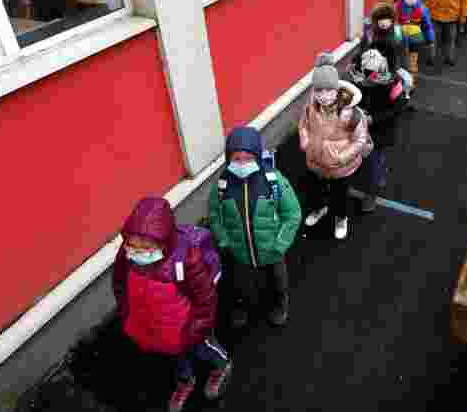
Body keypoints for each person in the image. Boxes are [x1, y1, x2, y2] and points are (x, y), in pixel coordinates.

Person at [113, 197, 232, 412]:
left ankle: (221, 366)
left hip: (190, 327)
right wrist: (127, 314)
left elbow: (205, 299)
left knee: (204, 348)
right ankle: (185, 381)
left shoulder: (186, 259)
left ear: (163, 241)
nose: (137, 252)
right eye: (132, 244)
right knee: (178, 357)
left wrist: (195, 330)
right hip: (160, 327)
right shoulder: (126, 255)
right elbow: (120, 285)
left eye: (146, 246)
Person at [209, 126, 301, 329]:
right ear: (228, 158)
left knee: (277, 280)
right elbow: (215, 215)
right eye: (236, 159)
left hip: (272, 250)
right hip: (239, 251)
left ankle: (280, 303)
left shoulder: (273, 181)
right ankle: (241, 306)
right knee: (239, 284)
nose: (242, 164)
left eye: (248, 158)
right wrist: (224, 240)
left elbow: (292, 214)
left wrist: (280, 244)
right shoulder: (222, 185)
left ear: (258, 157)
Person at [299, 54, 373, 240]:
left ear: (337, 89)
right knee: (314, 189)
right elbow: (303, 125)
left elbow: (360, 139)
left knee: (339, 196)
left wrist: (342, 157)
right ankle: (319, 208)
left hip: (341, 167)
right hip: (316, 161)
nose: (323, 96)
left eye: (328, 91)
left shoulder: (350, 113)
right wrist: (305, 141)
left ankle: (341, 218)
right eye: (318, 91)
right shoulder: (310, 107)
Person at [346, 48, 411, 212]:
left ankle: (371, 195)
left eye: (371, 73)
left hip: (381, 129)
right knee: (366, 157)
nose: (366, 78)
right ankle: (378, 175)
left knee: (373, 162)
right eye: (364, 72)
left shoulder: (393, 83)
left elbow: (399, 108)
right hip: (362, 125)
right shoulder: (360, 76)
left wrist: (374, 119)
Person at [396, 0, 435, 77]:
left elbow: (428, 26)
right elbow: (394, 22)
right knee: (402, 57)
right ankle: (401, 72)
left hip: (415, 38)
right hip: (402, 37)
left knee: (413, 58)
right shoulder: (398, 8)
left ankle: (412, 75)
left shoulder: (422, 9)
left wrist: (430, 39)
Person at [362, 1, 405, 72]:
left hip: (393, 67)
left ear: (391, 19)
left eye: (386, 18)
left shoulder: (397, 31)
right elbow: (363, 50)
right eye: (380, 19)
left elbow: (403, 51)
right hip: (374, 67)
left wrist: (402, 68)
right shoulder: (371, 33)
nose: (383, 21)